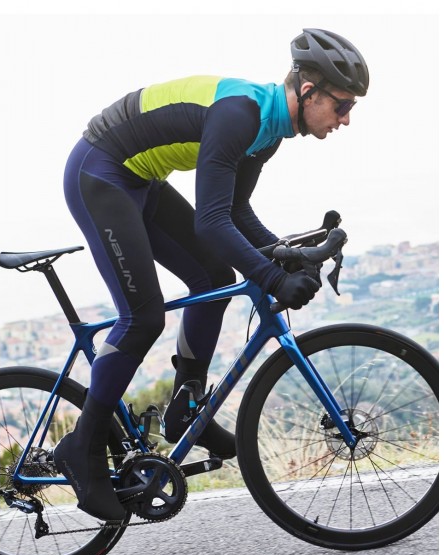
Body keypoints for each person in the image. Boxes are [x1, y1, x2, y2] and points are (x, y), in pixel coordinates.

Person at [54, 28, 370, 521]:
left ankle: (186, 410)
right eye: (343, 105)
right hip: (100, 172)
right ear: (309, 92)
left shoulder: (269, 131)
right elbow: (211, 221)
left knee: (214, 278)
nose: (346, 119)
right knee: (143, 318)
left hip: (139, 179)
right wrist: (272, 277)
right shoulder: (241, 115)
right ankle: (82, 447)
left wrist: (286, 254)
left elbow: (236, 211)